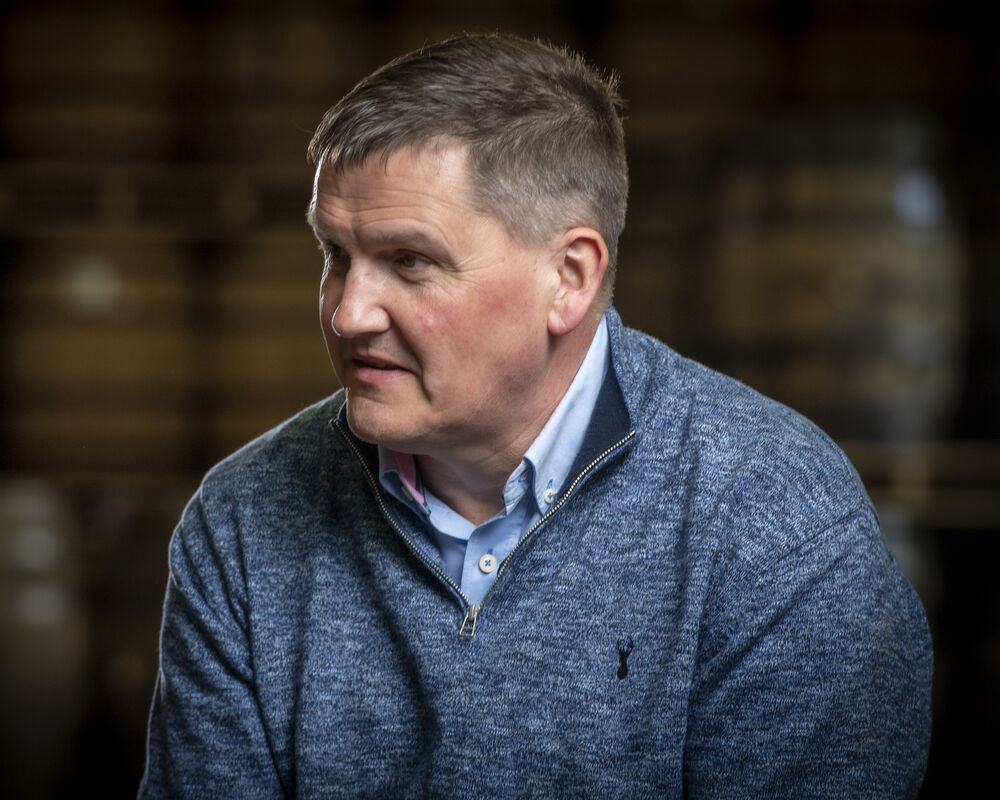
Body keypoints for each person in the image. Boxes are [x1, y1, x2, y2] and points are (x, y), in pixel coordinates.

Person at [139, 33, 931, 799]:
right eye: (336, 255)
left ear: (570, 278)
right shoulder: (243, 520)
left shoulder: (777, 520)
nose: (348, 314)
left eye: (409, 261)